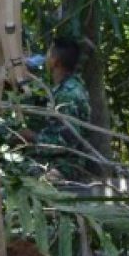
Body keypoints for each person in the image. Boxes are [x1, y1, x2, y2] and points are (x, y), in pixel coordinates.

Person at [20, 37, 95, 180]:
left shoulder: (68, 94)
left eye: (48, 53)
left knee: (17, 176)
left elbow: (65, 142)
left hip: (66, 166)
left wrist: (32, 137)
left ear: (55, 61)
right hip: (58, 160)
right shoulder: (67, 86)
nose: (44, 57)